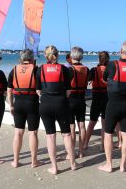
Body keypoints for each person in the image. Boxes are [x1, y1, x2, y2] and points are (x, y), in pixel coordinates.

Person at [36, 45, 82, 174]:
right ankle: (73, 164)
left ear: (46, 56)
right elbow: (68, 91)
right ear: (58, 54)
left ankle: (54, 167)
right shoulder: (64, 69)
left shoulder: (40, 69)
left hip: (45, 105)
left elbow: (38, 90)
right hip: (61, 104)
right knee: (66, 134)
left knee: (50, 136)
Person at [98, 40, 126, 173]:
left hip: (113, 105)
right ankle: (123, 165)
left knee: (108, 134)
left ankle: (109, 165)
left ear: (121, 51)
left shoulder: (112, 65)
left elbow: (104, 78)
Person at [7, 49, 41, 168]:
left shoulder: (14, 70)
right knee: (33, 133)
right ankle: (34, 161)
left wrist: (11, 105)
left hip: (18, 104)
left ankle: (16, 161)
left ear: (21, 59)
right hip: (32, 103)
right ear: (32, 59)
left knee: (18, 132)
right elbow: (40, 90)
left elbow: (9, 91)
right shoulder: (36, 70)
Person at [84, 51, 110, 150]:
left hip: (96, 97)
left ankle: (86, 143)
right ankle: (102, 146)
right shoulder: (110, 70)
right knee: (104, 123)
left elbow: (88, 82)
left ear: (99, 59)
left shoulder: (94, 70)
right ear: (108, 59)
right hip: (106, 97)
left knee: (92, 121)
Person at [68, 46, 89, 158]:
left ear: (71, 56)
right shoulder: (86, 69)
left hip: (71, 100)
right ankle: (81, 151)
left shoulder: (69, 69)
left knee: (72, 127)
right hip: (81, 99)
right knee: (82, 125)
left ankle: (72, 152)